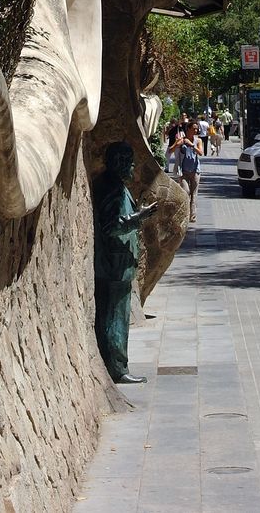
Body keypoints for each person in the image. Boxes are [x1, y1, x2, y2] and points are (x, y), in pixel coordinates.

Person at [92, 141, 158, 384]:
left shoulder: (108, 184)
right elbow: (112, 226)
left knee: (110, 316)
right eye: (130, 163)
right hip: (114, 266)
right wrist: (139, 217)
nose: (133, 167)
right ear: (119, 163)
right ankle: (118, 368)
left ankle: (115, 364)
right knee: (115, 317)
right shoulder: (113, 189)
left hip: (112, 264)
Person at [175, 121, 204, 221]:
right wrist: (178, 143)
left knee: (194, 194)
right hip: (183, 171)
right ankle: (185, 213)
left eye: (196, 129)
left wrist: (192, 145)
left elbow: (200, 153)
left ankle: (192, 216)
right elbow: (172, 149)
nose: (195, 130)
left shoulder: (198, 140)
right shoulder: (182, 140)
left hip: (195, 171)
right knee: (186, 191)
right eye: (193, 128)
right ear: (188, 129)